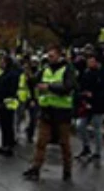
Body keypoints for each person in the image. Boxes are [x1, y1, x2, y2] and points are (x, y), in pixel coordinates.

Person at [23, 45, 77, 182]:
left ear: (59, 56)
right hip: (47, 111)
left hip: (62, 111)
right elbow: (35, 81)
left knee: (64, 143)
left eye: (52, 56)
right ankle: (35, 168)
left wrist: (49, 87)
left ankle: (67, 170)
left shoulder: (68, 69)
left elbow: (68, 87)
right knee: (41, 141)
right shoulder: (45, 69)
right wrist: (29, 75)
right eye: (48, 56)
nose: (49, 58)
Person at [77, 51, 104, 162]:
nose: (89, 63)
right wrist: (83, 95)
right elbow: (81, 86)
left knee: (97, 128)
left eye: (91, 61)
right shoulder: (86, 73)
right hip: (86, 104)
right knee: (80, 126)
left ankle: (97, 152)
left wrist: (95, 96)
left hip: (99, 106)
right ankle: (86, 147)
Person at [0, 54, 22, 155]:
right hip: (3, 103)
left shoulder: (12, 75)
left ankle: (8, 146)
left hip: (8, 103)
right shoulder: (4, 73)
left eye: (2, 61)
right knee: (3, 125)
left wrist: (2, 100)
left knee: (8, 125)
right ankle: (4, 144)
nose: (0, 63)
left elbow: (9, 90)